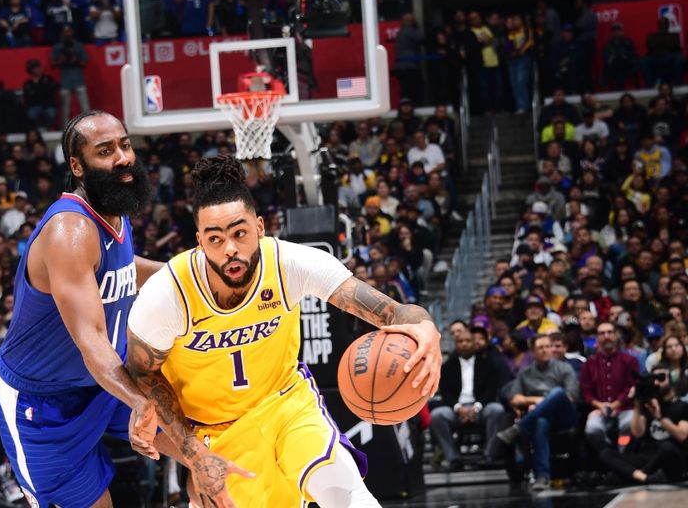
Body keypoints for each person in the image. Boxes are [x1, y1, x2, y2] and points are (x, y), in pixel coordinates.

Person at [126, 155, 443, 507]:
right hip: (215, 431)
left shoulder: (290, 263)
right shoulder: (168, 294)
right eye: (215, 239)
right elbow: (142, 372)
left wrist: (425, 327)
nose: (229, 248)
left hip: (287, 405)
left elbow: (393, 312)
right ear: (199, 241)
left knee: (347, 496)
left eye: (239, 233)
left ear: (260, 228)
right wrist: (193, 454)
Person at [0, 111, 175, 507]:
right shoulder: (69, 231)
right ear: (77, 166)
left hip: (99, 383)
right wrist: (139, 400)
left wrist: (189, 275)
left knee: (203, 446)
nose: (123, 157)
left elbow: (124, 267)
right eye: (105, 151)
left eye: (124, 145)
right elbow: (91, 341)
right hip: (42, 403)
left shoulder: (114, 209)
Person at [497, 334, 580, 491]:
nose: (545, 350)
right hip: (538, 417)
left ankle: (518, 428)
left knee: (557, 392)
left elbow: (571, 396)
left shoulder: (563, 368)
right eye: (540, 348)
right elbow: (515, 399)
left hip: (564, 415)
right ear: (532, 351)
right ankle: (542, 476)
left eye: (548, 347)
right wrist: (537, 401)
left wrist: (546, 401)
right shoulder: (525, 372)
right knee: (541, 420)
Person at [430, 329, 507, 471]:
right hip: (456, 409)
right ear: (455, 344)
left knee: (497, 410)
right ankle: (453, 458)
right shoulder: (447, 367)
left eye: (468, 341)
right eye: (460, 341)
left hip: (480, 408)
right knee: (436, 415)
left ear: (474, 343)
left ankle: (489, 455)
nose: (464, 344)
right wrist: (459, 408)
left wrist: (476, 407)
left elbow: (490, 391)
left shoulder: (487, 364)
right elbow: (446, 393)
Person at [599, 364, 688, 484]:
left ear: (671, 380)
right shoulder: (647, 404)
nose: (657, 383)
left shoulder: (682, 406)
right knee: (606, 453)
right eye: (654, 379)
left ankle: (634, 476)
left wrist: (659, 417)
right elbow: (637, 433)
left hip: (671, 456)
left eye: (661, 378)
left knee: (667, 447)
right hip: (648, 456)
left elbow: (682, 436)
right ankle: (643, 478)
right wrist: (637, 403)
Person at [580, 321, 639, 451]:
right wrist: (600, 405)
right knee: (592, 429)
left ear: (615, 336)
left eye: (610, 332)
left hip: (624, 408)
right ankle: (608, 455)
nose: (606, 336)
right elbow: (586, 391)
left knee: (629, 424)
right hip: (599, 408)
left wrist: (615, 405)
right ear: (597, 338)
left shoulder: (630, 360)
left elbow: (631, 387)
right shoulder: (589, 363)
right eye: (602, 333)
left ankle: (621, 454)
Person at [52, 25, 90, 128]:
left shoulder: (78, 46)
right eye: (65, 32)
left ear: (72, 32)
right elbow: (53, 64)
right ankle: (65, 129)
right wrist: (62, 59)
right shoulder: (58, 47)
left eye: (69, 31)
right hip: (65, 82)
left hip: (79, 80)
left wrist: (76, 60)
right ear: (62, 33)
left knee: (85, 108)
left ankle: (89, 127)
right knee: (65, 110)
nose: (67, 34)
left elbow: (85, 62)